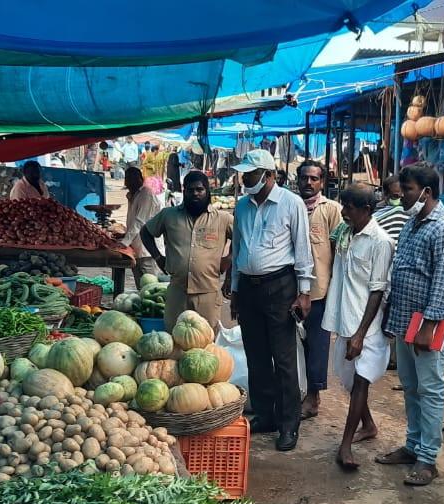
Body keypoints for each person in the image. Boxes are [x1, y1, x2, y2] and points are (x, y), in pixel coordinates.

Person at [374, 165, 444, 486]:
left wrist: (428, 325)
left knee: (431, 389)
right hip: (404, 319)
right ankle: (413, 445)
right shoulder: (413, 222)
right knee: (411, 388)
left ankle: (428, 458)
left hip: (429, 323)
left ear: (426, 191)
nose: (402, 196)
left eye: (408, 190)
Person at [225, 149, 314, 452]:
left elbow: (302, 250)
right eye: (245, 173)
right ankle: (266, 415)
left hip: (280, 287)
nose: (245, 178)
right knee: (256, 355)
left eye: (251, 174)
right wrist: (235, 291)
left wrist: (304, 292)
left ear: (269, 175)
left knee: (284, 358)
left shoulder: (291, 204)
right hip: (249, 288)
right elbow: (238, 250)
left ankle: (289, 424)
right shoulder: (242, 207)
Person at [323, 186, 392, 470]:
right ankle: (369, 425)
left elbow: (377, 290)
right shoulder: (344, 234)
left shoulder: (380, 241)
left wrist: (361, 335)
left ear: (367, 210)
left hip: (368, 326)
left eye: (350, 207)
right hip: (345, 319)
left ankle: (346, 445)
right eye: (343, 206)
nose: (344, 212)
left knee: (361, 381)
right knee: (349, 380)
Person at [143, 171, 233, 330]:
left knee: (206, 343)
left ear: (207, 191)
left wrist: (229, 258)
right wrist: (158, 257)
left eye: (199, 189)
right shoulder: (168, 215)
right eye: (190, 190)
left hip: (208, 294)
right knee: (175, 340)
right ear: (184, 191)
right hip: (177, 293)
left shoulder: (223, 218)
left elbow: (243, 239)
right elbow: (145, 232)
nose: (195, 194)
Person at [297, 160, 344, 421]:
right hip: (291, 289)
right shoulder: (290, 206)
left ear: (322, 182)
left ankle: (314, 398)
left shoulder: (331, 210)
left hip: (319, 291)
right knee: (295, 346)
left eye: (314, 179)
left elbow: (338, 250)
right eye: (305, 178)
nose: (309, 183)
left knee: (317, 346)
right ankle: (299, 391)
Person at [121, 166, 165, 288]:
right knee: (140, 287)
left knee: (152, 288)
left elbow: (139, 221)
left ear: (140, 179)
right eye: (127, 179)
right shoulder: (133, 195)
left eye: (132, 179)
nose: (128, 182)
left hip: (147, 251)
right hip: (137, 249)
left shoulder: (146, 194)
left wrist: (124, 242)